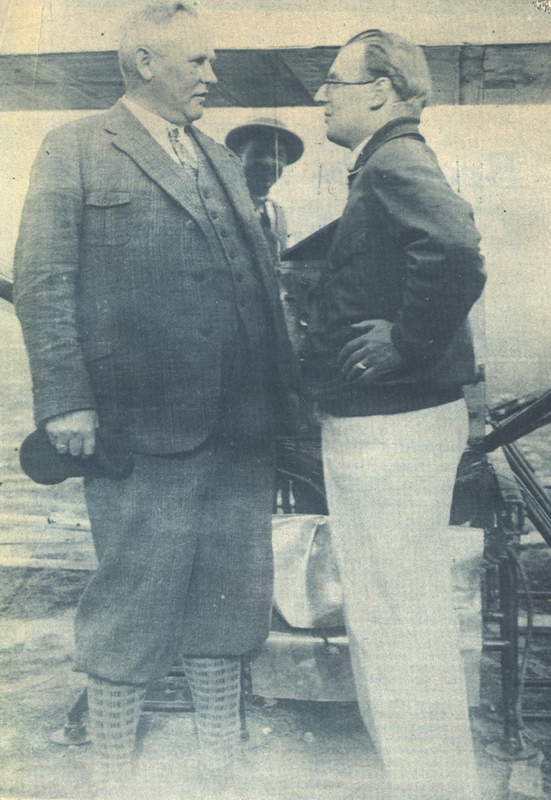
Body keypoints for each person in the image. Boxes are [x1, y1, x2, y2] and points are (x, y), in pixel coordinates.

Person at [13, 3, 297, 797]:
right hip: (141, 424)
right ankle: (111, 774)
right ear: (144, 61)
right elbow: (42, 279)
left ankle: (219, 770)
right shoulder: (73, 148)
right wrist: (66, 402)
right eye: (198, 62)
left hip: (243, 426)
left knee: (232, 598)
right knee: (132, 598)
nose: (213, 75)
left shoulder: (218, 156)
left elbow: (261, 292)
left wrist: (285, 406)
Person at [306, 29, 487, 800]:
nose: (322, 94)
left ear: (379, 90)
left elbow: (454, 246)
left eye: (334, 82)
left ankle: (434, 786)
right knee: (392, 613)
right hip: (395, 423)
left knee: (396, 619)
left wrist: (408, 343)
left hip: (390, 427)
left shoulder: (394, 160)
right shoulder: (385, 161)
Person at [225, 117, 303, 261]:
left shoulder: (276, 213)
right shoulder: (223, 207)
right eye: (259, 154)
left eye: (278, 156)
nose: (268, 163)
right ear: (238, 157)